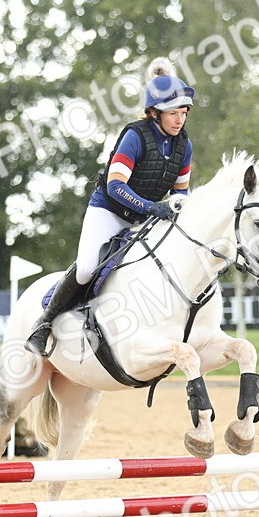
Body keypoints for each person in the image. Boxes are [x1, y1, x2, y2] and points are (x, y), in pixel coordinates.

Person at [26, 57, 195, 353]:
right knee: (87, 268)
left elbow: (182, 194)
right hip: (109, 211)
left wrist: (177, 211)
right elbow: (116, 186)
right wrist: (151, 207)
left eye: (184, 113)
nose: (179, 120)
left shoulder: (184, 146)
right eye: (172, 113)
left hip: (145, 218)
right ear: (154, 113)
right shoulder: (135, 136)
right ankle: (44, 323)